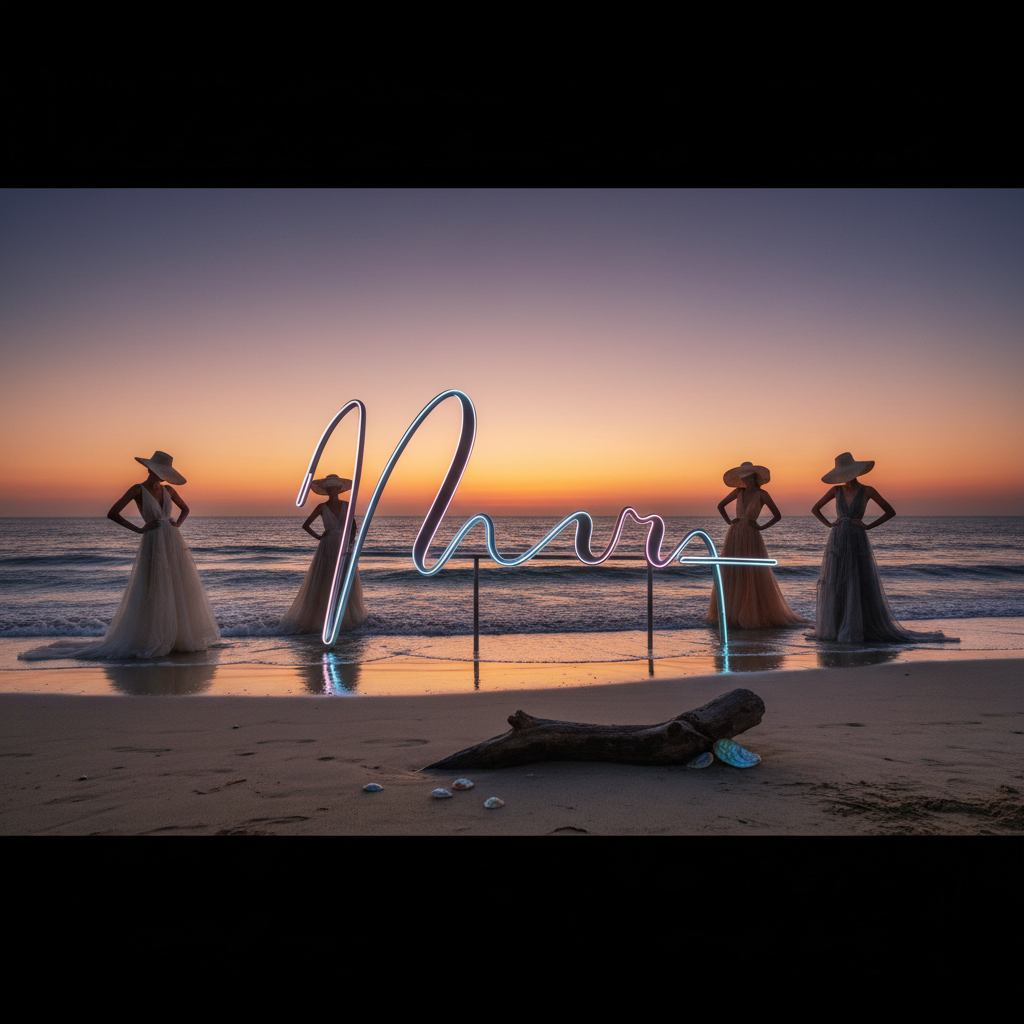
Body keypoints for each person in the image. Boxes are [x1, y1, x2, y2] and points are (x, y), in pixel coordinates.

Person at [20, 451, 221, 660]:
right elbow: (112, 513)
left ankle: (177, 638)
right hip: (153, 542)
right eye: (161, 471)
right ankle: (151, 637)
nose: (163, 476)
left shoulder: (168, 490)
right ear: (150, 469)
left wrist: (176, 524)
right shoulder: (137, 489)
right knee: (153, 588)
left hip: (173, 541)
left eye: (166, 472)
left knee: (176, 587)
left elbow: (185, 509)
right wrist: (139, 529)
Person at [808, 452, 957, 643]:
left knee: (859, 580)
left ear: (855, 472)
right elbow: (815, 509)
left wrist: (868, 526)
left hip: (857, 537)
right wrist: (830, 525)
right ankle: (837, 626)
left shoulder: (868, 490)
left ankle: (861, 626)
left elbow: (890, 511)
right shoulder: (835, 491)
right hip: (837, 538)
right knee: (839, 581)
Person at [707, 462, 808, 628]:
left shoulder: (762, 494)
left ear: (753, 477)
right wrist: (729, 522)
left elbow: (777, 515)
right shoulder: (738, 492)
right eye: (743, 477)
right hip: (735, 533)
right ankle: (732, 614)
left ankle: (752, 613)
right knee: (733, 572)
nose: (744, 479)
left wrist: (761, 527)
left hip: (752, 535)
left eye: (747, 476)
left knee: (753, 573)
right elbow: (720, 506)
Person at [280, 474, 367, 635]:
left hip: (343, 546)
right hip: (327, 547)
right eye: (329, 489)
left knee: (343, 580)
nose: (332, 491)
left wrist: (350, 542)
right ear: (327, 491)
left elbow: (353, 526)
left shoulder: (347, 506)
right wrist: (320, 536)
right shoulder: (322, 507)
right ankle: (323, 619)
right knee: (325, 580)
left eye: (334, 489)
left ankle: (344, 619)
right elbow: (306, 525)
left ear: (339, 490)